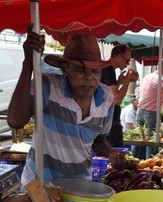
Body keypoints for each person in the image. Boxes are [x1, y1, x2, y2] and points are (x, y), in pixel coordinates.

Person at [8, 26, 126, 185]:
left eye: (95, 71)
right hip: (40, 185)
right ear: (65, 69)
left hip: (80, 185)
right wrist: (28, 62)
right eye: (80, 70)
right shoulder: (47, 87)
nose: (89, 77)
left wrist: (111, 153)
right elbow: (15, 121)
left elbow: (97, 140)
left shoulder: (106, 98)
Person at [100, 44, 138, 148]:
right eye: (127, 60)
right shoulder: (108, 69)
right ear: (117, 57)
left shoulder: (107, 69)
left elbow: (108, 93)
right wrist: (128, 80)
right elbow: (117, 100)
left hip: (107, 120)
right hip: (109, 122)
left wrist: (119, 82)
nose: (128, 64)